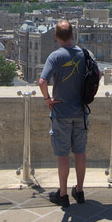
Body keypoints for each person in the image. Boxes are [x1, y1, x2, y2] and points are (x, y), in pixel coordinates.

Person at [39, 20, 89, 208]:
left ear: (56, 36)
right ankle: (80, 190)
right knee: (80, 152)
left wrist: (47, 99)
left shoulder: (55, 56)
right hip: (81, 111)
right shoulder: (85, 54)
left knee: (63, 155)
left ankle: (63, 194)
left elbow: (42, 81)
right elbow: (98, 75)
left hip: (61, 112)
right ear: (73, 35)